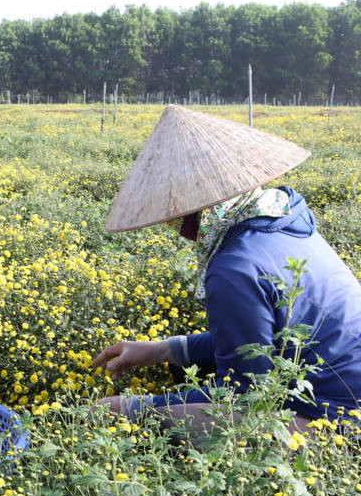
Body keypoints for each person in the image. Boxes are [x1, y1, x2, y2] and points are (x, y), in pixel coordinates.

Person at [91, 105, 361, 438]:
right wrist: (161, 350)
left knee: (131, 423)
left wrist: (134, 408)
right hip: (341, 391)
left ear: (195, 212)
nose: (175, 227)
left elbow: (244, 399)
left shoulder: (234, 267)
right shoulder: (283, 217)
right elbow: (258, 342)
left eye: (175, 215)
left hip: (341, 422)